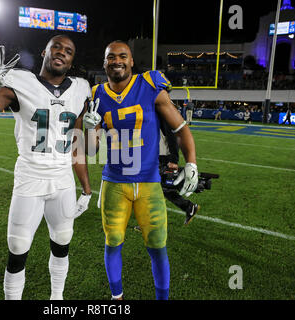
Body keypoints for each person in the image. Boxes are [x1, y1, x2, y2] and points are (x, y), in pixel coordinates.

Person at [0, 35, 93, 300]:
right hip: (29, 179)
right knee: (18, 247)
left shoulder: (81, 88)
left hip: (63, 181)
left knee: (63, 241)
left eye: (68, 51)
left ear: (72, 60)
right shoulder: (20, 82)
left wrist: (87, 190)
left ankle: (57, 298)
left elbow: (78, 145)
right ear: (45, 51)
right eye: (57, 47)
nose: (61, 53)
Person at [83, 41, 198, 300]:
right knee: (112, 243)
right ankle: (117, 298)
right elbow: (91, 151)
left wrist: (191, 161)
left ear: (132, 61)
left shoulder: (150, 85)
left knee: (158, 247)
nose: (117, 61)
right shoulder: (96, 95)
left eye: (123, 56)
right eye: (110, 57)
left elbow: (180, 128)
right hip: (114, 182)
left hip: (148, 183)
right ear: (104, 63)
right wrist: (90, 130)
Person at [158, 118, 199, 225]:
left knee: (153, 188)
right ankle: (188, 206)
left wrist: (173, 160)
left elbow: (172, 135)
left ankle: (152, 221)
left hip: (162, 156)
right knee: (163, 188)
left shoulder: (161, 110)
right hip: (157, 154)